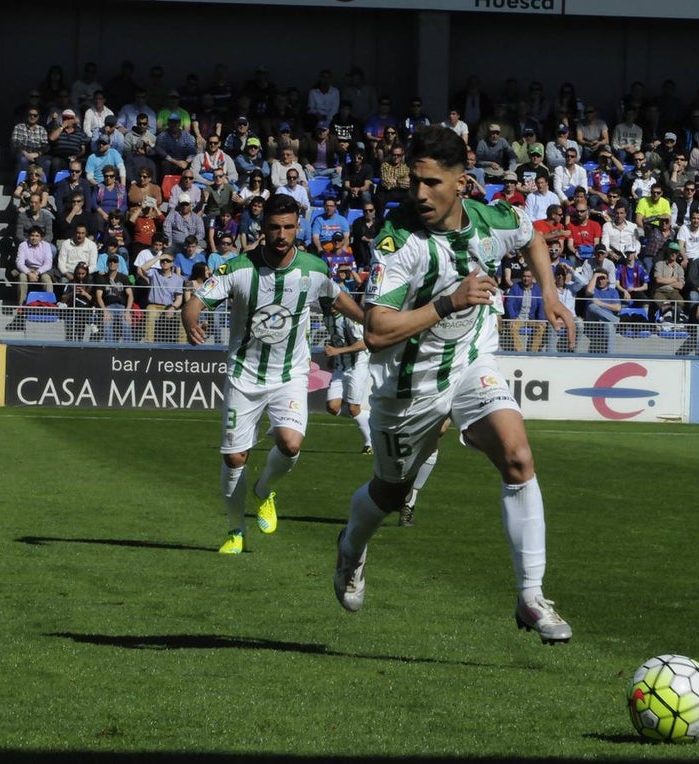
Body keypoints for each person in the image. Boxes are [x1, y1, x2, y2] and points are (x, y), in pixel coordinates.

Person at [332, 125, 575, 644]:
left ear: (462, 183)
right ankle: (351, 547)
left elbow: (532, 236)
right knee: (391, 492)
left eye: (432, 183)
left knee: (517, 456)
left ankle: (531, 595)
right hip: (408, 385)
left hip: (470, 361)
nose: (419, 194)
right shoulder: (398, 242)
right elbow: (376, 331)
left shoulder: (493, 220)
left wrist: (551, 294)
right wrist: (450, 301)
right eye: (414, 182)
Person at [183, 193, 362, 553]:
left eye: (289, 227)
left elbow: (341, 301)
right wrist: (191, 319)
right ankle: (236, 531)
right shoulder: (237, 269)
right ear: (262, 229)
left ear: (298, 227)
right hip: (244, 374)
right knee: (234, 458)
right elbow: (196, 301)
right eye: (275, 227)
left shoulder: (314, 269)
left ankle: (264, 489)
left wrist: (373, 323)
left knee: (290, 443)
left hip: (290, 374)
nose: (282, 234)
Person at [324, 297, 373, 456]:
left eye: (332, 302)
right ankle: (368, 418)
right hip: (340, 366)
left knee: (353, 409)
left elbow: (364, 343)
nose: (330, 305)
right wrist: (333, 357)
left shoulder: (350, 320)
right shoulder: (328, 318)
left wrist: (337, 352)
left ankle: (369, 443)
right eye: (327, 302)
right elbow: (336, 340)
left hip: (357, 367)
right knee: (332, 407)